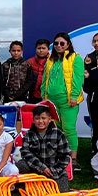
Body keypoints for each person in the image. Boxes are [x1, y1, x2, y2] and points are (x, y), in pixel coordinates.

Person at [41, 32, 84, 171]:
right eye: (57, 43)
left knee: (69, 128)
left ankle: (74, 159)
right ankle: (61, 155)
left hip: (68, 101)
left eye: (62, 43)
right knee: (57, 128)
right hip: (51, 101)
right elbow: (45, 79)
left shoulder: (75, 58)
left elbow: (78, 79)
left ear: (68, 44)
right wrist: (44, 96)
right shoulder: (50, 60)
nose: (59, 46)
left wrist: (74, 97)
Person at [16, 105, 71, 192]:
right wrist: (42, 168)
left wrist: (53, 170)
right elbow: (25, 153)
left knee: (61, 191)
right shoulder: (29, 134)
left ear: (49, 119)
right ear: (33, 120)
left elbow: (65, 156)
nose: (40, 121)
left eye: (43, 118)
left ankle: (38, 185)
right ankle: (33, 183)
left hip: (54, 172)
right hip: (35, 169)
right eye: (37, 118)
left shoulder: (59, 134)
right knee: (21, 164)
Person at [26, 39, 50, 103]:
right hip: (33, 96)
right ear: (35, 49)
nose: (41, 50)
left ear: (48, 49)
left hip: (49, 96)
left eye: (43, 48)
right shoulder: (29, 62)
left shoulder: (53, 62)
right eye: (39, 48)